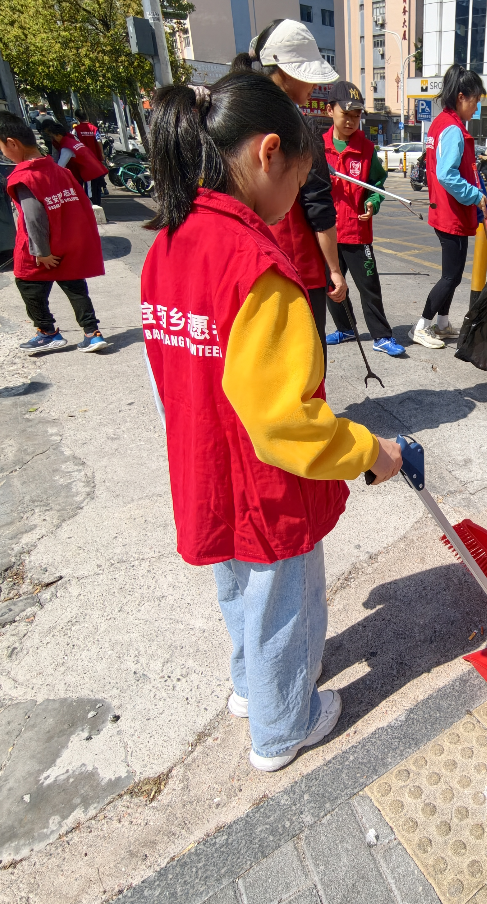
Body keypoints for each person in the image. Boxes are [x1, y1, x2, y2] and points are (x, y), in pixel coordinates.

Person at [140, 74, 403, 773]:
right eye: (300, 177)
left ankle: (248, 689)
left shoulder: (168, 242)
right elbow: (286, 421)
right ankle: (284, 723)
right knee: (284, 603)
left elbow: (165, 373)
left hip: (203, 461)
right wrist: (368, 449)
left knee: (236, 590)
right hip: (265, 482)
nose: (296, 199)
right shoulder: (259, 267)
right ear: (268, 153)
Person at [231, 19, 349, 352]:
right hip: (295, 264)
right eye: (308, 73)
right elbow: (318, 205)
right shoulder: (297, 127)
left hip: (242, 265)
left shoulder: (233, 115)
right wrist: (335, 270)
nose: (314, 83)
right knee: (306, 361)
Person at [0, 110, 108, 354]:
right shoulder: (62, 172)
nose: (2, 153)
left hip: (40, 253)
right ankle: (91, 333)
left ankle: (47, 331)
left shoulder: (25, 178)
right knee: (77, 290)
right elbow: (79, 208)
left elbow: (33, 218)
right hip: (67, 247)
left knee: (29, 288)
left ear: (12, 143)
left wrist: (41, 252)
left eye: (0, 147)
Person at [321, 81, 407, 357]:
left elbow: (377, 185)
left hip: (358, 232)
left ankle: (381, 336)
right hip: (326, 232)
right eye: (345, 114)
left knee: (369, 287)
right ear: (329, 111)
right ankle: (345, 328)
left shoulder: (366, 149)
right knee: (332, 285)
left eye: (356, 115)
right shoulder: (317, 149)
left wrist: (372, 202)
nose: (351, 120)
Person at [415, 64, 487, 350]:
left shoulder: (439, 123)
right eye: (475, 100)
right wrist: (474, 194)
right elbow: (447, 174)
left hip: (444, 210)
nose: (476, 106)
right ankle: (422, 325)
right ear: (461, 96)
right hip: (451, 213)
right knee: (451, 276)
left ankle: (442, 323)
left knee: (452, 274)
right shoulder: (453, 129)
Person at [37, 120, 110, 208]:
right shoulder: (72, 140)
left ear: (59, 135)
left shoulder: (66, 147)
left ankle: (95, 217)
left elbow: (60, 166)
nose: (53, 139)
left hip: (90, 173)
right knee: (94, 194)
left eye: (53, 136)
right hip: (95, 168)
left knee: (91, 197)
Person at [72, 111, 109, 204]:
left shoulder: (76, 129)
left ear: (77, 118)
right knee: (95, 183)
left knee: (86, 183)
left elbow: (74, 142)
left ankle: (89, 202)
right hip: (94, 159)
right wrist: (102, 153)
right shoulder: (94, 128)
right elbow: (99, 140)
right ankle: (95, 201)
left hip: (82, 160)